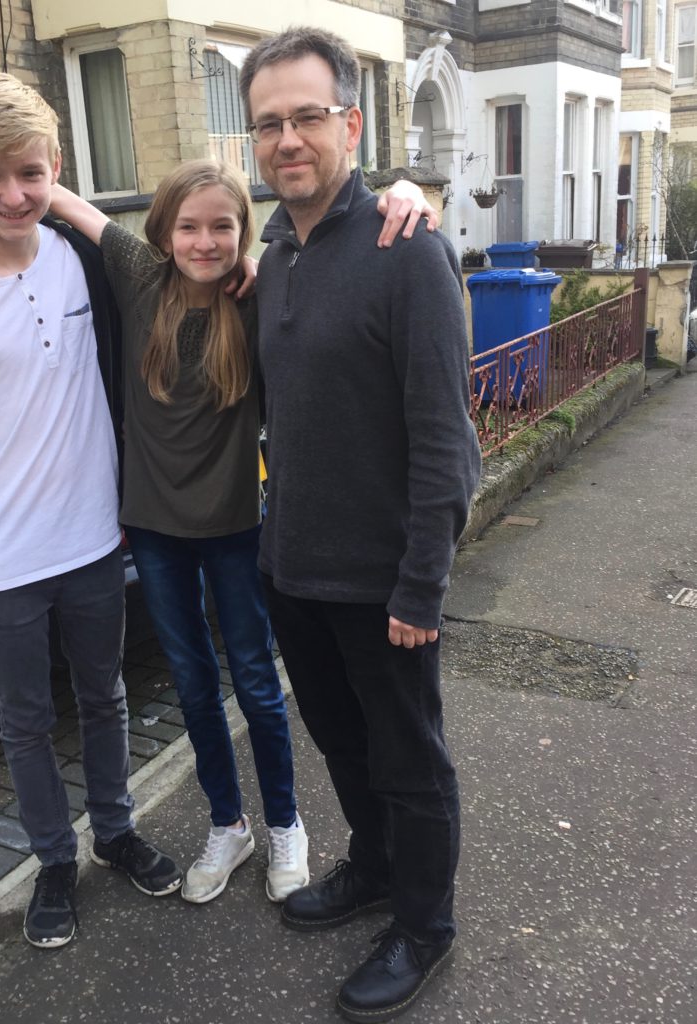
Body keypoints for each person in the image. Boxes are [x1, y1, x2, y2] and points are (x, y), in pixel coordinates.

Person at [0, 155, 438, 908]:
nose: (205, 242)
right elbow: (42, 197)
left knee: (256, 683)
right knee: (192, 686)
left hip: (237, 530)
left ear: (245, 234)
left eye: (223, 227)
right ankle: (228, 823)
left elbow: (333, 254)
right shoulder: (135, 277)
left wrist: (402, 196)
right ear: (160, 232)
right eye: (188, 226)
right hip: (152, 531)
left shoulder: (261, 289)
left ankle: (286, 824)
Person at [0, 72, 183, 951]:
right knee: (24, 720)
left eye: (30, 172)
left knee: (105, 695)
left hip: (94, 535)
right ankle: (55, 861)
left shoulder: (86, 259)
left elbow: (167, 267)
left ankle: (116, 831)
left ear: (56, 168)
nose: (11, 195)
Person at [238, 26, 482, 1023]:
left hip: (385, 587)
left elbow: (443, 442)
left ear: (348, 121)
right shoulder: (274, 253)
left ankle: (424, 922)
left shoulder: (404, 246)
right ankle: (375, 870)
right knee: (342, 746)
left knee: (409, 760)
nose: (286, 138)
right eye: (267, 123)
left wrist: (421, 585)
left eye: (305, 116)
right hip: (293, 571)